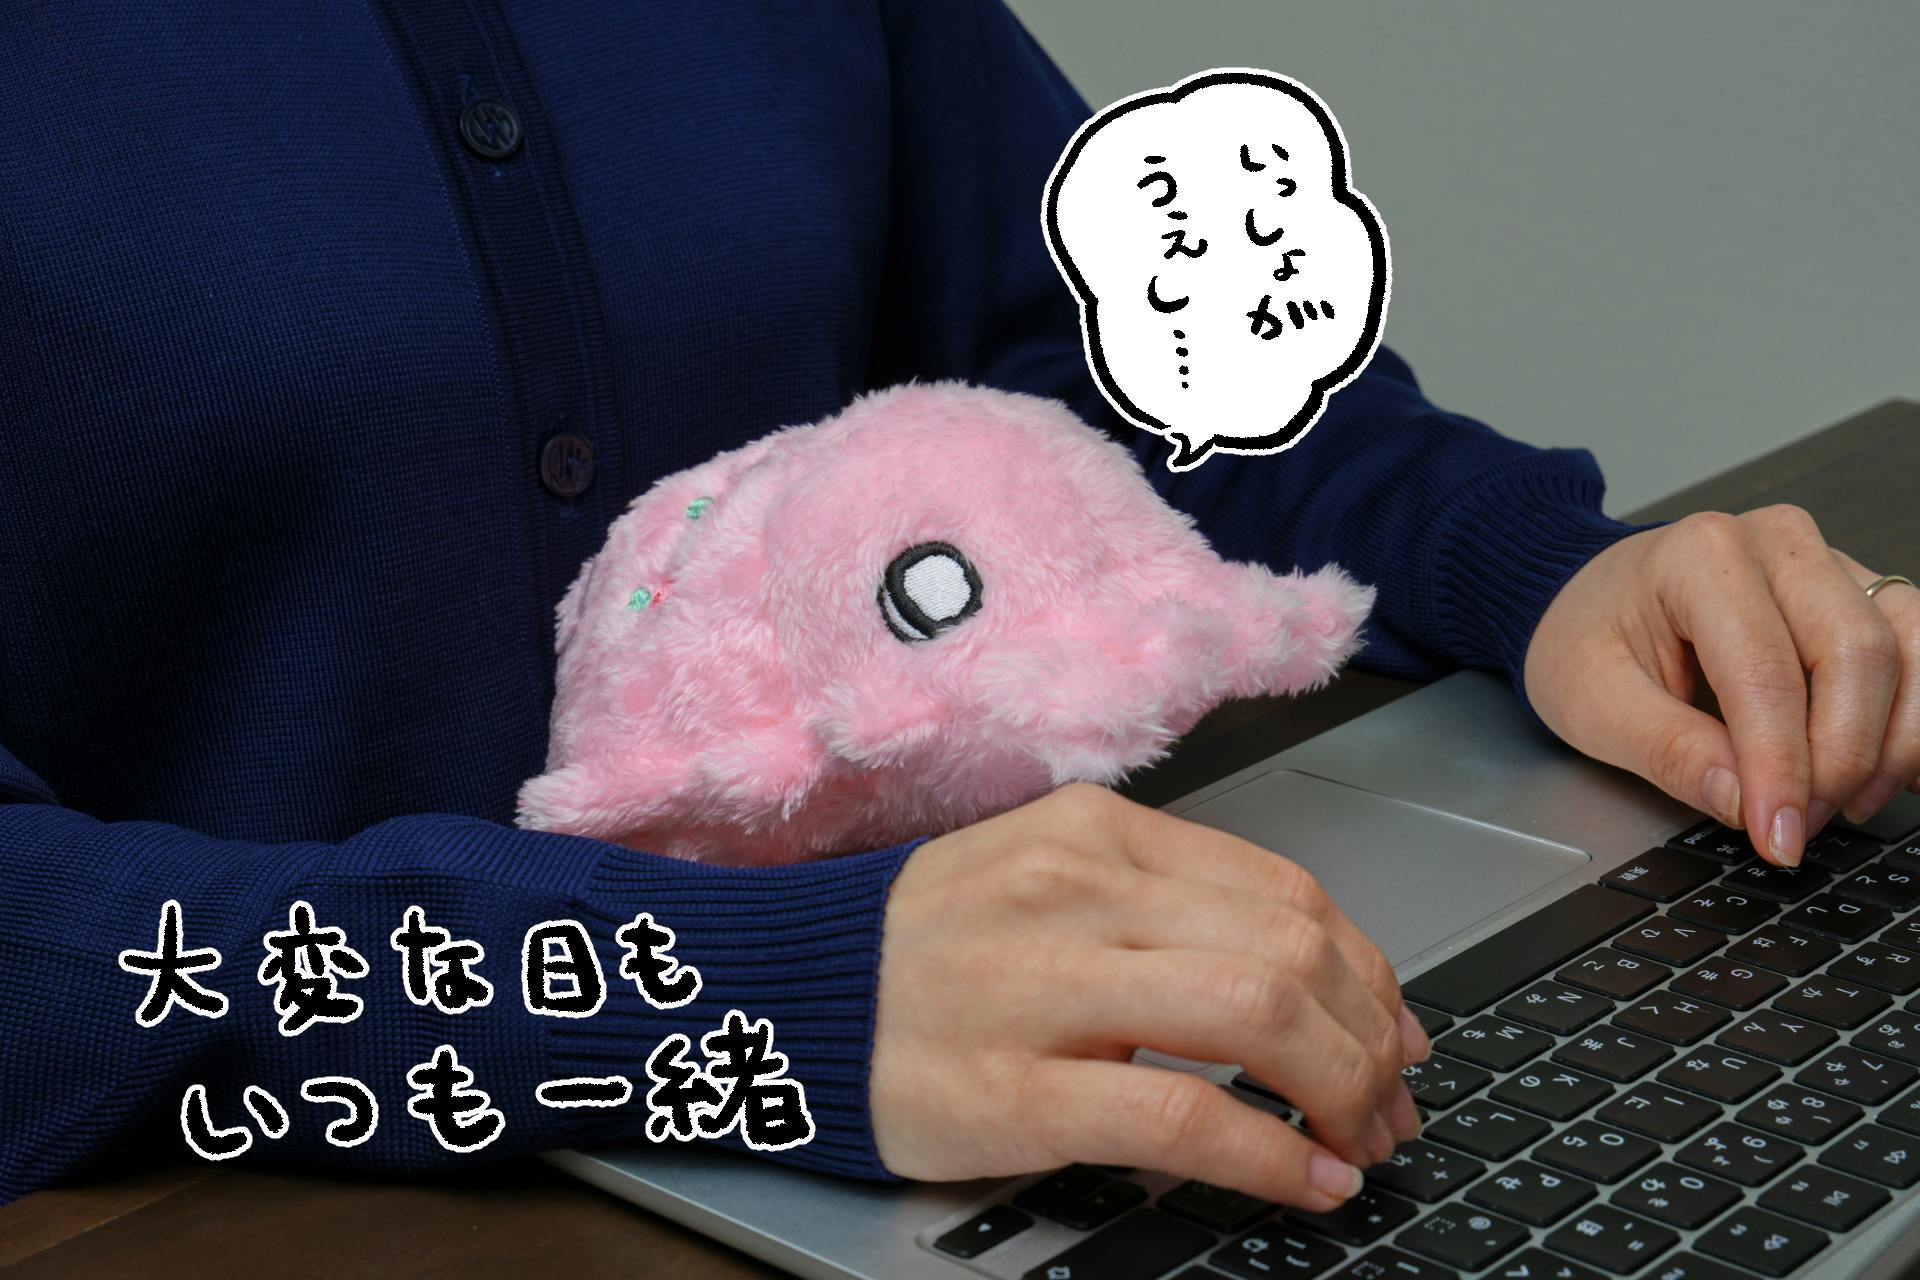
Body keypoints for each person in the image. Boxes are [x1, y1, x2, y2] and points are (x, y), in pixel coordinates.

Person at [0, 0, 1913, 1215]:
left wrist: (1540, 568)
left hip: (969, 1118)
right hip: (280, 1205)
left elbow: (1097, 351)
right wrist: (740, 996)